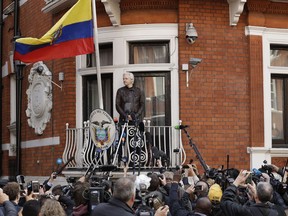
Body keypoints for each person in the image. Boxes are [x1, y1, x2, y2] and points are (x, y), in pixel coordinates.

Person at [220, 169, 286, 216]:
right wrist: (252, 200)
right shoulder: (280, 212)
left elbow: (225, 203)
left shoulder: (246, 211)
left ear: (256, 195)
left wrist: (236, 183)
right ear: (271, 196)